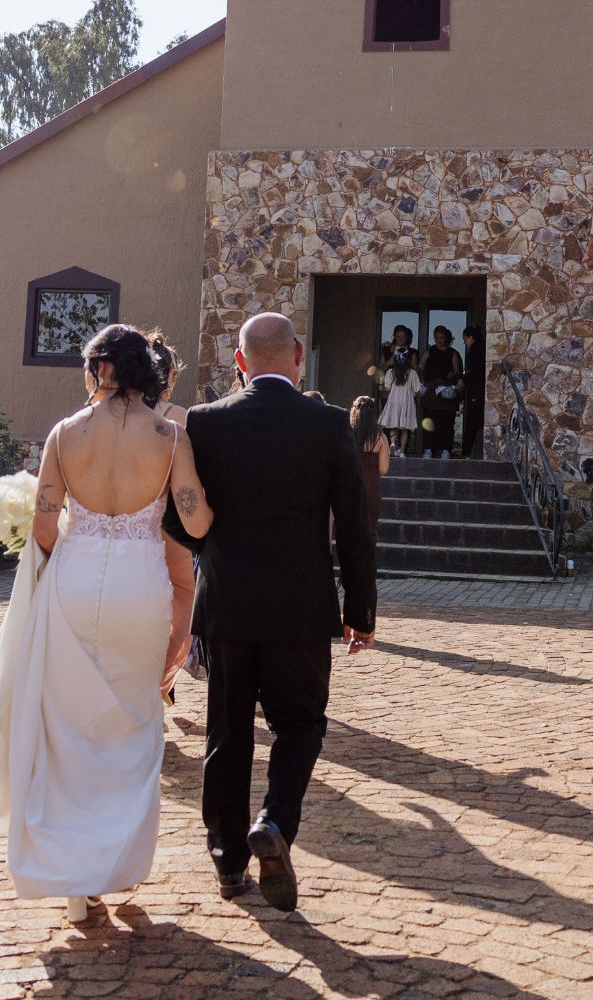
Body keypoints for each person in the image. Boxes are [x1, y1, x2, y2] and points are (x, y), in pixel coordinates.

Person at [0, 325, 213, 925]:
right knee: (132, 720)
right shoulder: (169, 435)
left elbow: (45, 529)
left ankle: (74, 878)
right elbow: (196, 526)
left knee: (68, 726)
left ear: (101, 369)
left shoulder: (65, 433)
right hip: (139, 587)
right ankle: (111, 861)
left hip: (74, 580)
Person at [165, 312, 376, 913]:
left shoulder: (204, 424)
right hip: (301, 607)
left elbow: (178, 516)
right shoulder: (330, 425)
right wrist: (359, 609)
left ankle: (228, 862)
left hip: (228, 604)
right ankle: (276, 822)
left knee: (228, 735)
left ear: (239, 361)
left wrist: (217, 555)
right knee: (302, 724)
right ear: (298, 356)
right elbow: (354, 530)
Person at [149, 331, 195, 705]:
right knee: (185, 598)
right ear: (171, 377)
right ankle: (160, 682)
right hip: (169, 525)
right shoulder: (177, 417)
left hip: (128, 524)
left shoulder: (123, 414)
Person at [418, 326, 464, 458]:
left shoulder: (452, 353)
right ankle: (428, 449)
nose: (439, 340)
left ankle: (446, 450)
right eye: (436, 338)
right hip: (431, 392)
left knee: (447, 422)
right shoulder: (429, 352)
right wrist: (421, 385)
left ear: (446, 338)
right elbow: (420, 369)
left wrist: (452, 376)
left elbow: (457, 372)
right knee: (429, 421)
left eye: (441, 338)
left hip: (446, 392)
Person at [350, 396, 389, 537]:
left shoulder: (347, 434)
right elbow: (384, 469)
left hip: (350, 484)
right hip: (371, 485)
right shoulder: (381, 438)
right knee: (369, 529)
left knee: (349, 529)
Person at [378, 348, 421, 457]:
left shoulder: (391, 372)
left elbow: (387, 388)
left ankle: (392, 443)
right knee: (405, 428)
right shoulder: (412, 373)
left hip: (394, 400)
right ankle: (402, 451)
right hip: (407, 401)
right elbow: (416, 390)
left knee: (394, 425)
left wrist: (382, 388)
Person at [460, 326, 487, 459]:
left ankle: (466, 452)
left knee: (473, 420)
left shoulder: (475, 351)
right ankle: (468, 451)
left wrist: (463, 381)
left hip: (476, 389)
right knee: (475, 420)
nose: (464, 343)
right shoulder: (481, 349)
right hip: (478, 388)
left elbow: (476, 371)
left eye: (465, 339)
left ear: (470, 338)